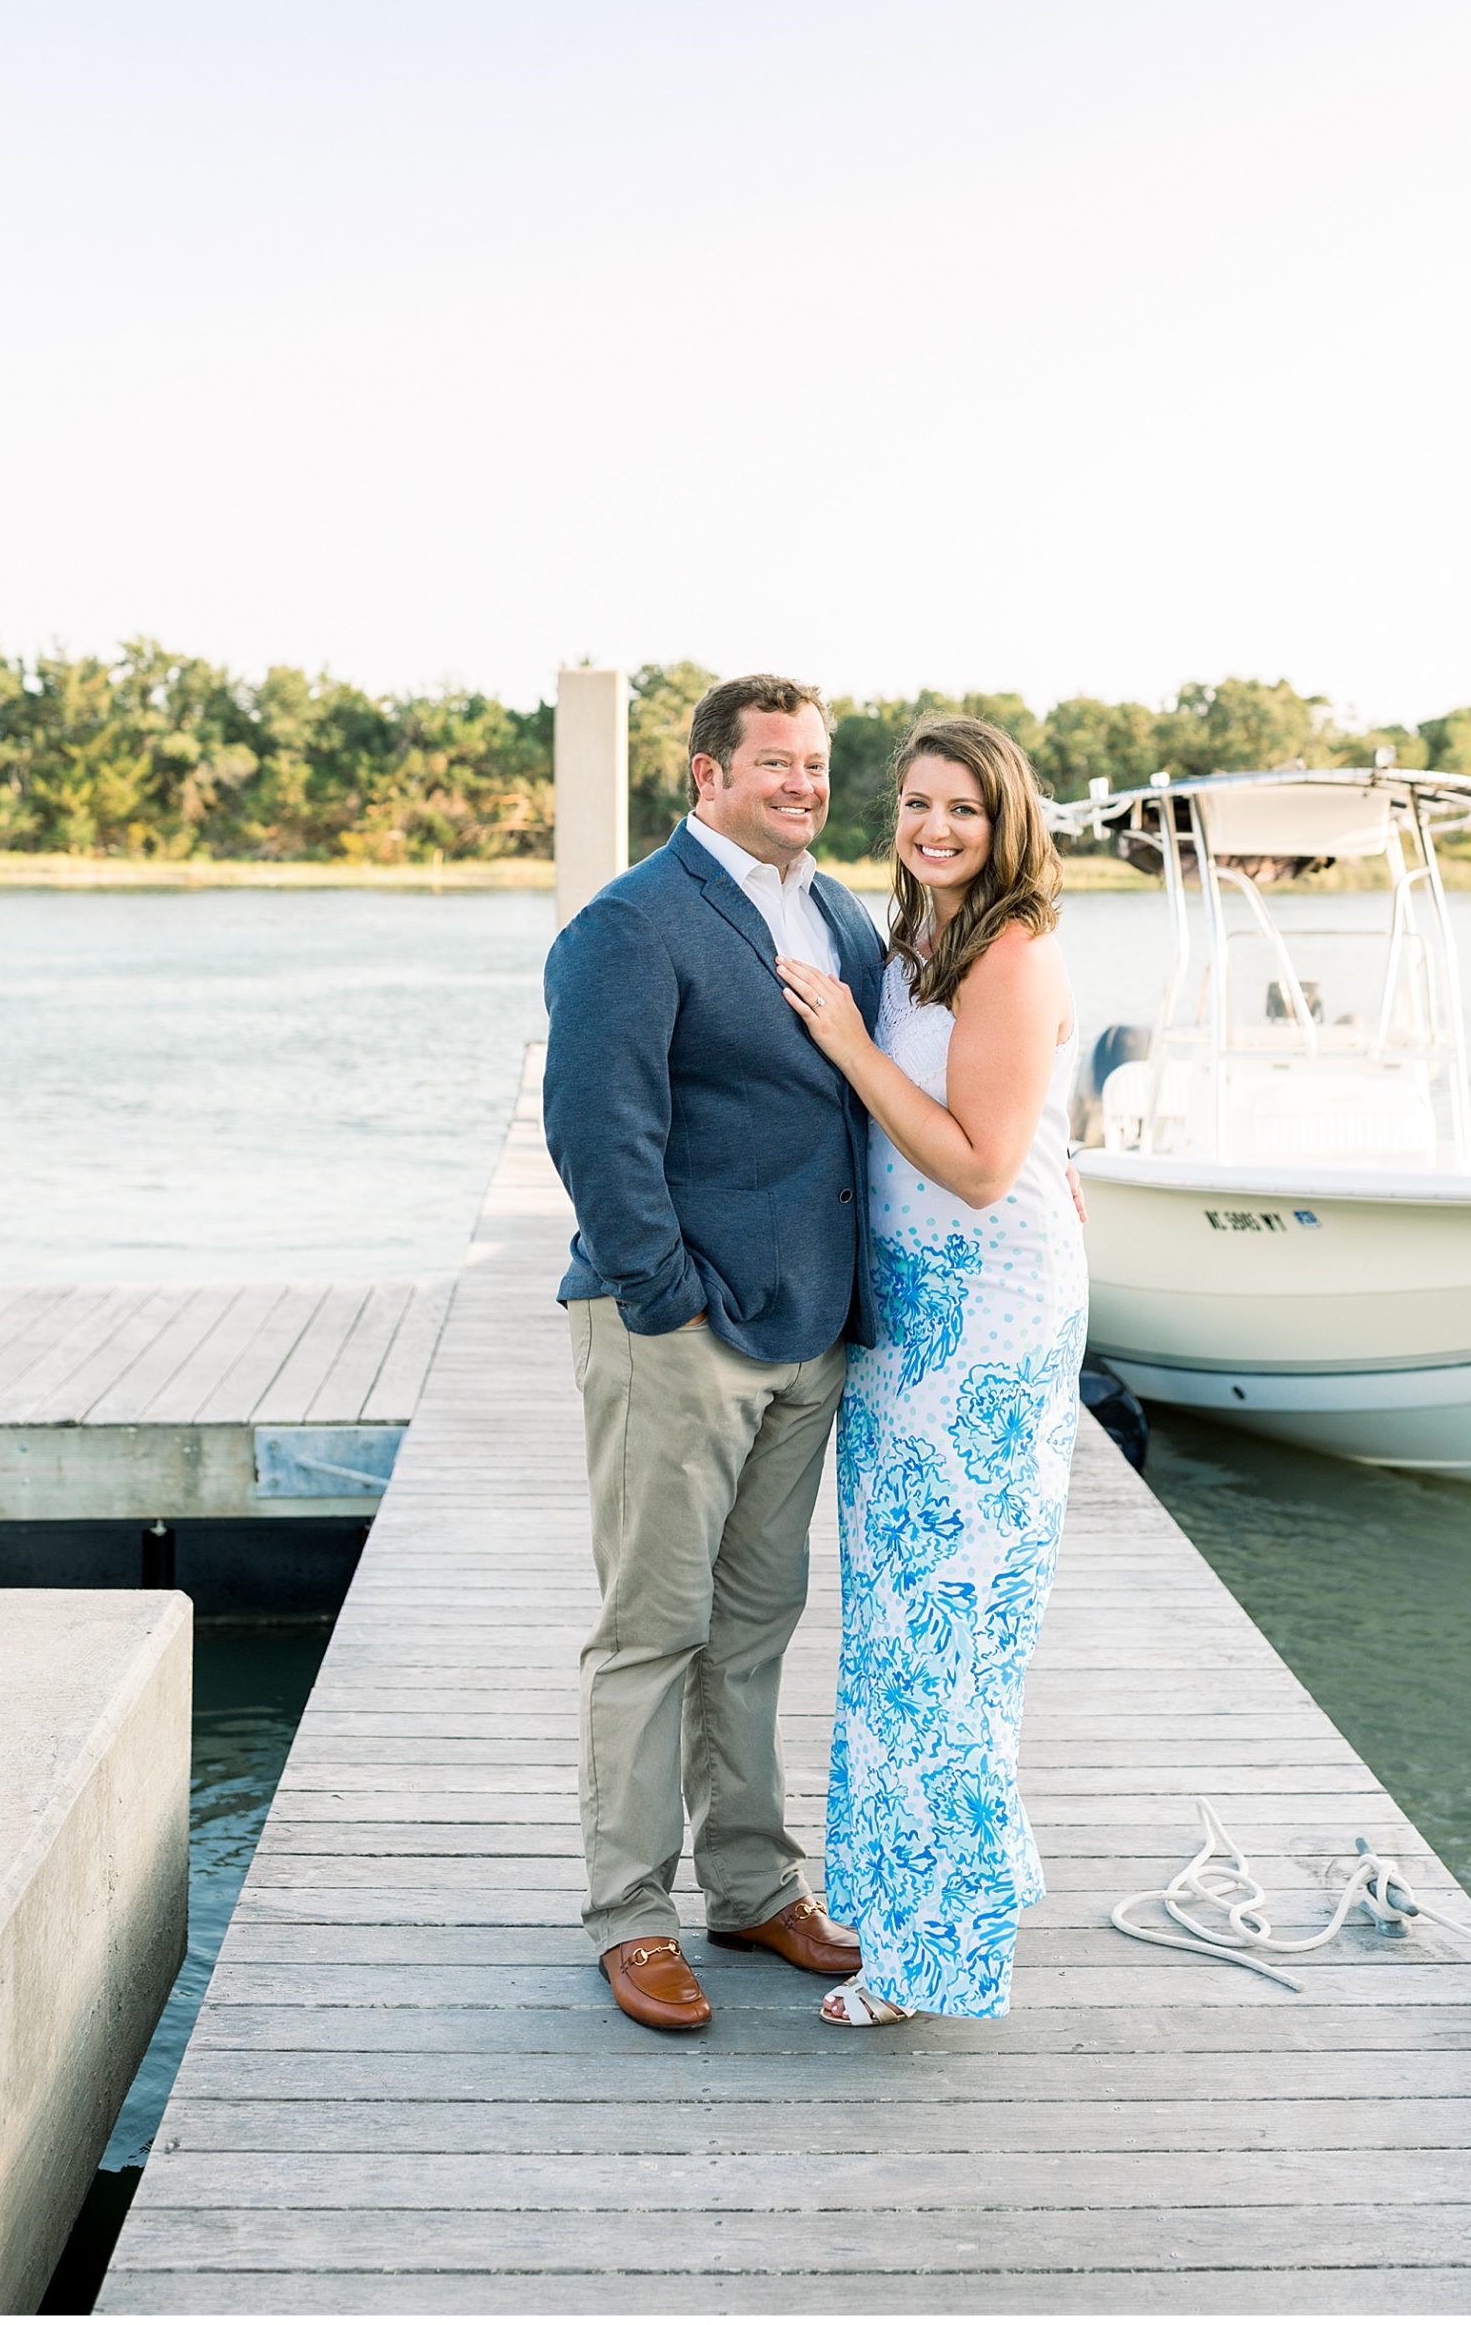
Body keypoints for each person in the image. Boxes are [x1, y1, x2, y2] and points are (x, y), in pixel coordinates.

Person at [542, 674, 885, 2032]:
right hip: (679, 1333)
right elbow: (595, 1130)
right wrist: (663, 1295)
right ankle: (630, 1917)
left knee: (752, 1630)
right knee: (651, 1633)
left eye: (813, 764)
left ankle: (750, 1888)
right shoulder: (629, 926)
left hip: (809, 1332)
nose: (799, 785)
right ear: (705, 776)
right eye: (772, 765)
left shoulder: (833, 909)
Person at [775, 713, 1087, 2028]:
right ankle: (955, 1876)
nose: (934, 828)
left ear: (1004, 819)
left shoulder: (1006, 952)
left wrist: (846, 1044)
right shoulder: (916, 941)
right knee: (903, 1631)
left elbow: (974, 1163)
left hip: (983, 1333)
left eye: (961, 808)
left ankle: (931, 1960)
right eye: (915, 804)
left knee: (944, 1641)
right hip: (909, 1325)